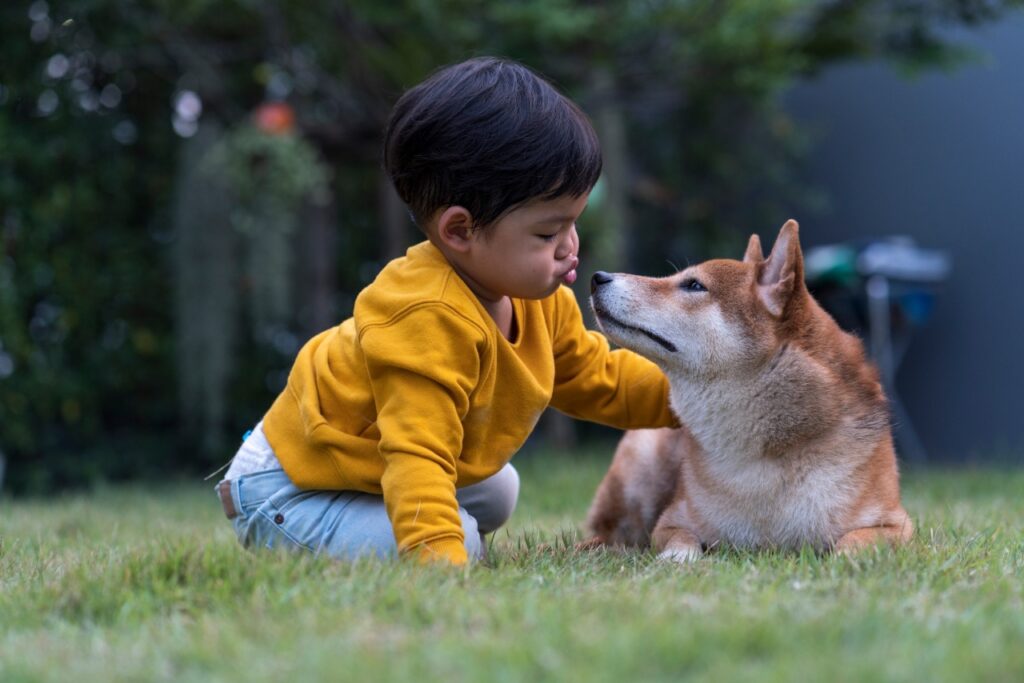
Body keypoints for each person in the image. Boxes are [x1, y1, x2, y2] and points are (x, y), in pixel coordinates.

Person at [215, 56, 677, 566]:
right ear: (460, 232)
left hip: (361, 465)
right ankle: (314, 531)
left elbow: (602, 377)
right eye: (547, 233)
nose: (571, 246)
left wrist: (703, 400)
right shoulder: (425, 317)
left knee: (497, 490)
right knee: (460, 539)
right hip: (290, 489)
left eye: (573, 223)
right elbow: (418, 455)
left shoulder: (535, 299)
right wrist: (441, 562)